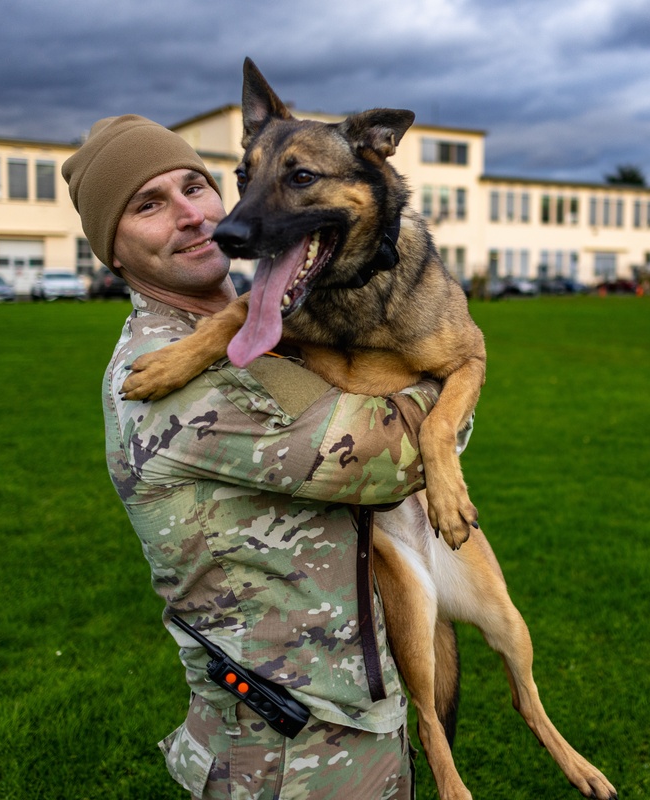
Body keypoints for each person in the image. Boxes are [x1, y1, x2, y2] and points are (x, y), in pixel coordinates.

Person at [62, 115, 444, 799]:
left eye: (197, 187)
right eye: (148, 205)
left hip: (346, 724)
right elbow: (391, 458)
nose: (191, 217)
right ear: (111, 252)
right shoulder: (173, 381)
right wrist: (443, 363)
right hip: (290, 758)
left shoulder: (270, 324)